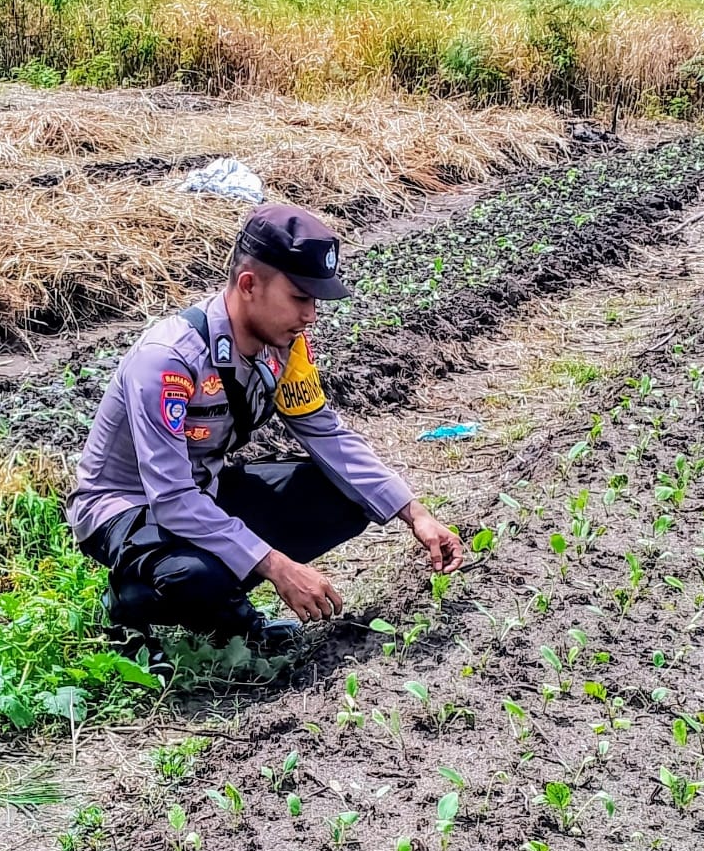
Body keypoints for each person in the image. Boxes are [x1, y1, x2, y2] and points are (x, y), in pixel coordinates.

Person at [65, 203, 466, 668]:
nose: (311, 315)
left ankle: (206, 591)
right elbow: (170, 496)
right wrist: (277, 567)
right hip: (128, 507)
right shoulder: (168, 360)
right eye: (300, 297)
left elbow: (325, 432)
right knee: (196, 574)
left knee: (347, 492)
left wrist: (414, 513)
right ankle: (139, 602)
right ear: (249, 285)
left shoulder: (284, 347)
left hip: (200, 493)